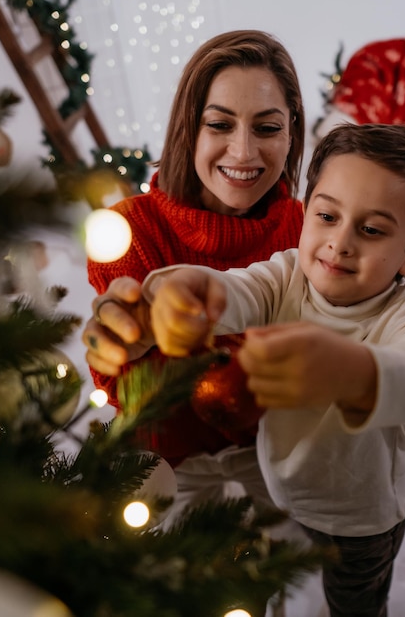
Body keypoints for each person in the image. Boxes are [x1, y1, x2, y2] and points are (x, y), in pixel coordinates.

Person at [142, 122, 405, 617]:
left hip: (363, 517)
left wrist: (355, 371)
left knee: (355, 600)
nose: (340, 242)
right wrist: (185, 289)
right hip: (281, 489)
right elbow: (234, 289)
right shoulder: (285, 276)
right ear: (306, 213)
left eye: (371, 230)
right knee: (265, 578)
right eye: (327, 215)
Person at [83, 30, 306, 533]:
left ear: (292, 132)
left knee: (287, 564)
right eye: (219, 124)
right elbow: (122, 383)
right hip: (168, 456)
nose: (244, 151)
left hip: (273, 443)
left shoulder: (307, 229)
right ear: (190, 128)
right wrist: (122, 349)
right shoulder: (130, 232)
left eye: (267, 128)